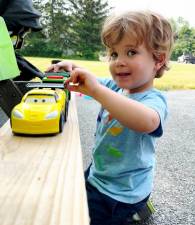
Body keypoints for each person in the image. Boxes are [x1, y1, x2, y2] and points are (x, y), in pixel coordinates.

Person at [46, 10, 174, 225]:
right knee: (77, 187)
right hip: (103, 170)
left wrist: (97, 91)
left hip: (120, 191)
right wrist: (71, 65)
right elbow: (93, 81)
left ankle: (133, 209)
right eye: (114, 54)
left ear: (158, 60)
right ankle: (138, 209)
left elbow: (148, 122)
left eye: (131, 52)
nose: (119, 62)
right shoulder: (117, 86)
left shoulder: (154, 99)